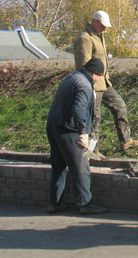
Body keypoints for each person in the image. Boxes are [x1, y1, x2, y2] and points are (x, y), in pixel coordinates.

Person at [74, 10, 138, 158]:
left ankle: (126, 140)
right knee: (94, 118)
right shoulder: (85, 38)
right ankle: (92, 151)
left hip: (104, 82)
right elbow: (83, 64)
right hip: (92, 85)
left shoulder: (99, 36)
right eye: (103, 26)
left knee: (120, 105)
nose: (105, 29)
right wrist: (87, 86)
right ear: (95, 22)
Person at [46, 57, 107, 215]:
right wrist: (83, 132)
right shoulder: (84, 85)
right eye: (100, 76)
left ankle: (55, 203)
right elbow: (79, 109)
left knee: (58, 167)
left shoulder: (71, 77)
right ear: (96, 74)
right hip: (68, 129)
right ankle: (85, 204)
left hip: (53, 126)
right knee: (80, 167)